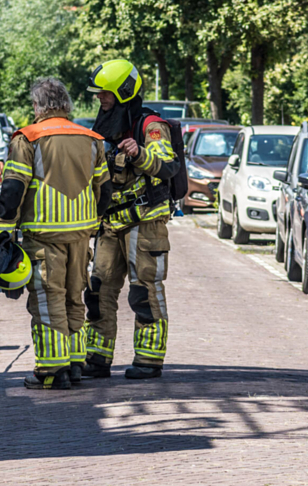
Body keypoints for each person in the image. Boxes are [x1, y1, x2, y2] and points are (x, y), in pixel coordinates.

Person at [0, 77, 111, 390]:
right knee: (75, 299)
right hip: (81, 235)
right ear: (66, 105)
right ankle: (74, 364)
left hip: (44, 235)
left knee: (47, 301)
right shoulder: (91, 138)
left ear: (38, 106)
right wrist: (93, 223)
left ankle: (51, 369)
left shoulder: (28, 138)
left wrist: (3, 231)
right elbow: (105, 190)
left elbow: (13, 188)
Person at [81, 60, 180, 380]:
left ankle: (149, 359)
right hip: (110, 224)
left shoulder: (150, 126)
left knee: (144, 291)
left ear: (123, 91)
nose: (100, 98)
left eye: (105, 93)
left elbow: (167, 166)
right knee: (97, 290)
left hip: (145, 223)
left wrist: (139, 153)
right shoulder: (108, 125)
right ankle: (96, 358)